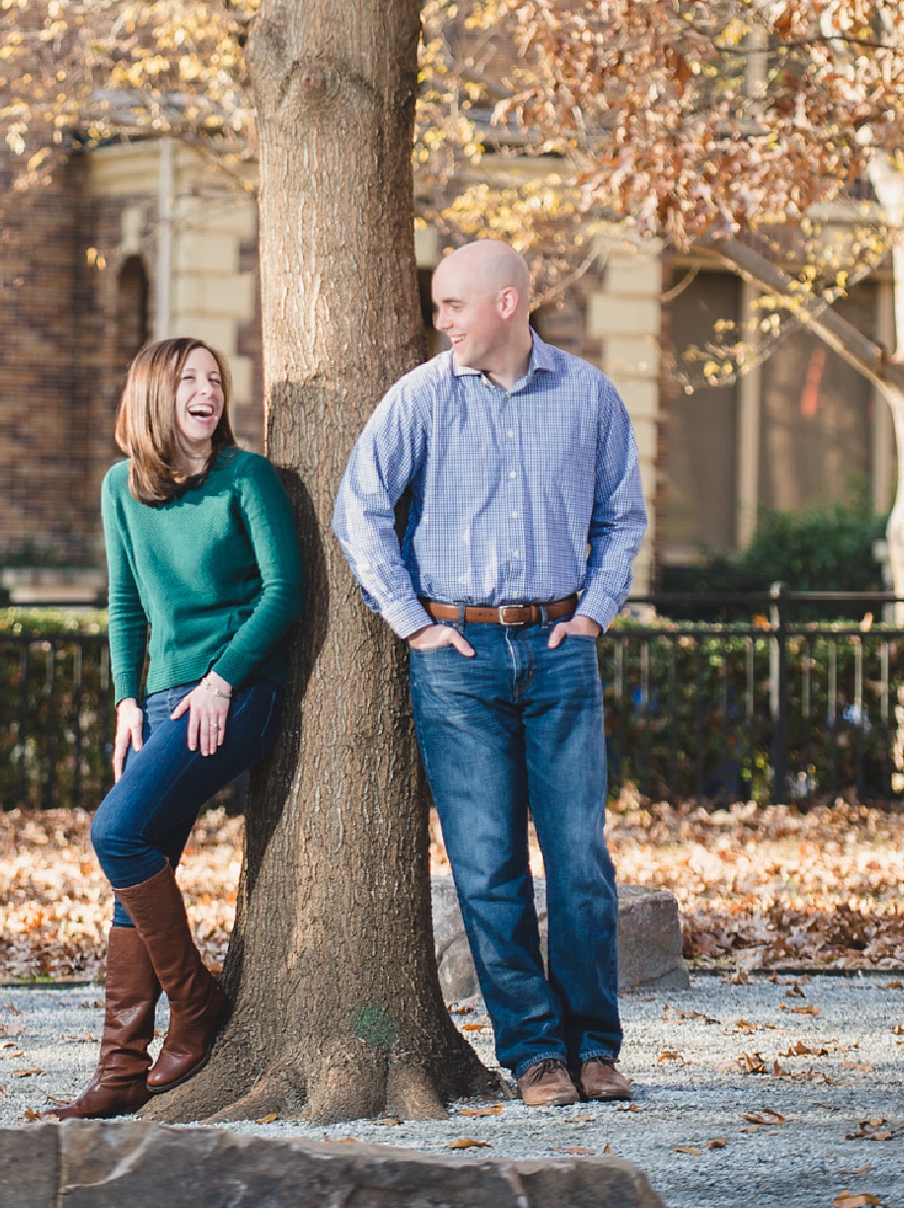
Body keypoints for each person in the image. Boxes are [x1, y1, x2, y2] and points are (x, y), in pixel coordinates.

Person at [332, 240, 647, 1110]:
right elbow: (358, 509)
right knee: (486, 863)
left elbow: (622, 516)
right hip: (459, 661)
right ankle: (536, 1054)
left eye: (452, 306)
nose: (441, 322)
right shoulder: (422, 398)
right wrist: (413, 625)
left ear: (507, 303)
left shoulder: (587, 397)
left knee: (580, 858)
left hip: (559, 649)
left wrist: (593, 613)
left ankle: (596, 1048)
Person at [53, 336, 299, 1119]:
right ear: (155, 395)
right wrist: (128, 701)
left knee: (116, 834)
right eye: (189, 379)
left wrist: (225, 679)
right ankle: (121, 1068)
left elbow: (284, 592)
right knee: (141, 863)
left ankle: (195, 1005)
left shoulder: (246, 478)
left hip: (236, 694)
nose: (207, 391)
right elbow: (124, 602)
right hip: (161, 702)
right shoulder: (121, 488)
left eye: (215, 379)